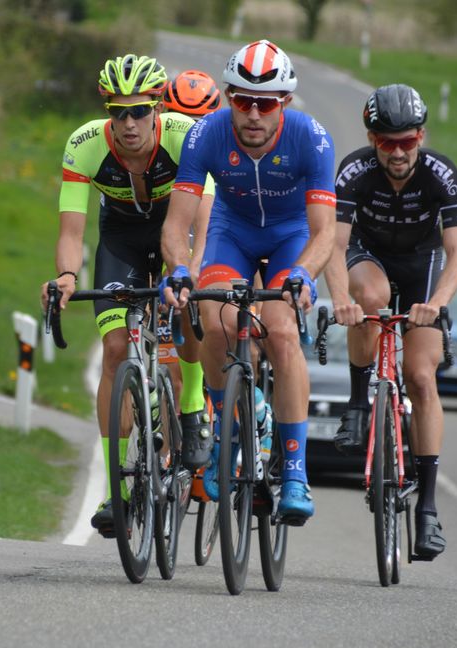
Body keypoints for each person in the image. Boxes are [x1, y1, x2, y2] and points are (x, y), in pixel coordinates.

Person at [162, 40, 337, 525]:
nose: (254, 114)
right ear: (228, 97)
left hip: (290, 238)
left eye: (267, 103)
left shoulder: (312, 138)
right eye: (243, 101)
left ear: (285, 102)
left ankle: (296, 472)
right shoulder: (207, 135)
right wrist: (180, 267)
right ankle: (226, 428)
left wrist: (304, 271)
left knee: (281, 333)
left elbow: (324, 233)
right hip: (231, 233)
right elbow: (177, 226)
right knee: (215, 323)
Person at [39, 54, 199, 537]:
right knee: (114, 349)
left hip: (178, 229)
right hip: (121, 240)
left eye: (140, 111)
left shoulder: (185, 137)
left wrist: (189, 270)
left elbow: (205, 219)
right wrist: (67, 275)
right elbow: (71, 227)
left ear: (157, 108)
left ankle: (191, 406)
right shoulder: (85, 145)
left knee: (190, 319)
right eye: (118, 112)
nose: (129, 123)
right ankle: (117, 489)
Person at [324, 84, 457, 557]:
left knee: (422, 378)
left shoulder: (440, 173)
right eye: (388, 142)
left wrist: (438, 303)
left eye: (408, 140)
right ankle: (358, 405)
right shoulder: (354, 170)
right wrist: (340, 299)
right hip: (368, 256)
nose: (399, 151)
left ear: (421, 136)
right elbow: (333, 242)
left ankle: (426, 510)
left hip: (421, 262)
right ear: (372, 139)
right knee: (372, 296)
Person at [158, 69, 222, 458]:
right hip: (171, 248)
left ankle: (255, 418)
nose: (190, 131)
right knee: (171, 372)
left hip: (217, 246)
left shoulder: (225, 151)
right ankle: (166, 452)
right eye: (180, 118)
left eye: (199, 122)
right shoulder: (158, 148)